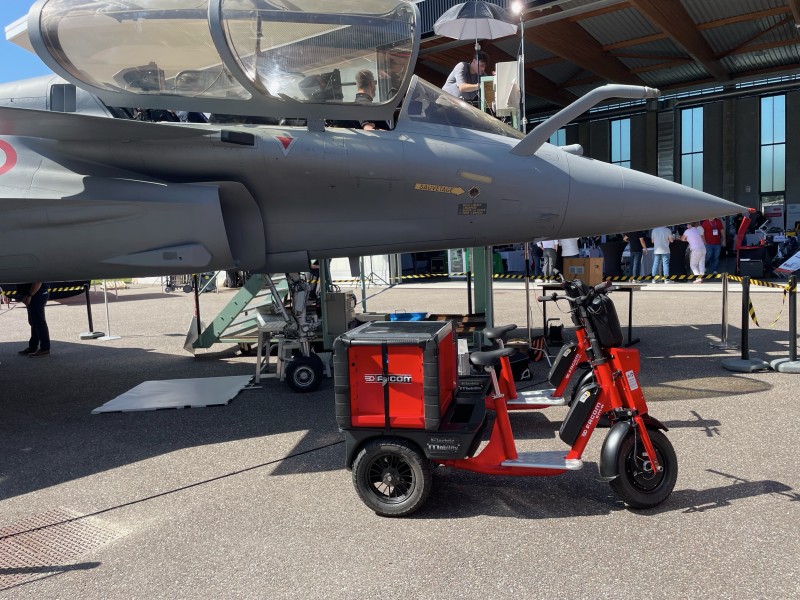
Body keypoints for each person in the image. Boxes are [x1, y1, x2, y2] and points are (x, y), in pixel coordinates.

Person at [17, 282, 51, 357]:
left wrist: (29, 295)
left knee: (39, 322)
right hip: (35, 294)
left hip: (37, 294)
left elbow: (38, 281)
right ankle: (33, 346)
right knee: (34, 322)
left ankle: (45, 348)